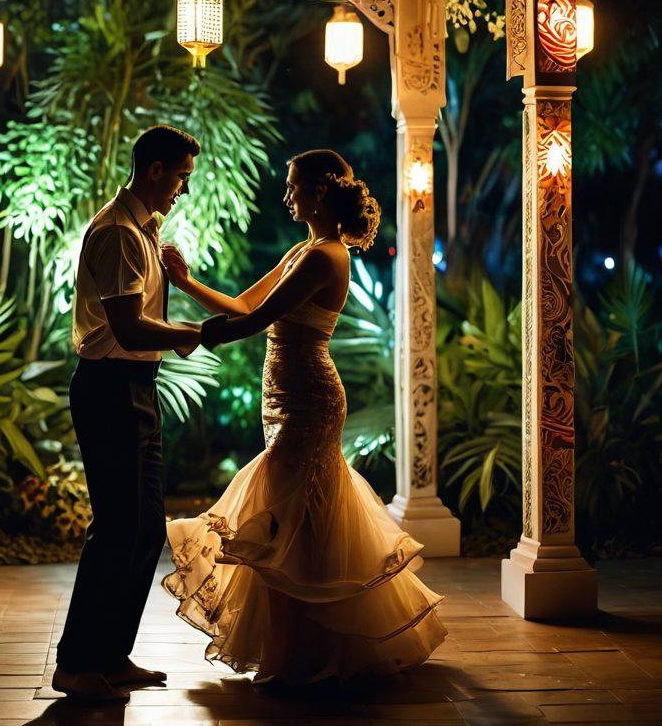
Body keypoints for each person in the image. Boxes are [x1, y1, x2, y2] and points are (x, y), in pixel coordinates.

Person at [160, 149, 447, 686]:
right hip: (286, 398)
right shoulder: (306, 249)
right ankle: (310, 650)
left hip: (309, 402)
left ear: (318, 190)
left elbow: (257, 321)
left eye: (293, 185)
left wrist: (187, 335)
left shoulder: (324, 257)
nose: (286, 193)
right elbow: (246, 304)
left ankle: (296, 657)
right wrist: (187, 284)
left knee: (280, 524)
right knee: (301, 525)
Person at [53, 124, 212, 703]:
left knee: (144, 528)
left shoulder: (144, 232)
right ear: (154, 170)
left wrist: (177, 283)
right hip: (110, 386)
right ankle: (75, 663)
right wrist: (185, 334)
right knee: (116, 527)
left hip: (136, 384)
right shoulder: (118, 233)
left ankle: (110, 656)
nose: (183, 190)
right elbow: (124, 326)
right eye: (181, 178)